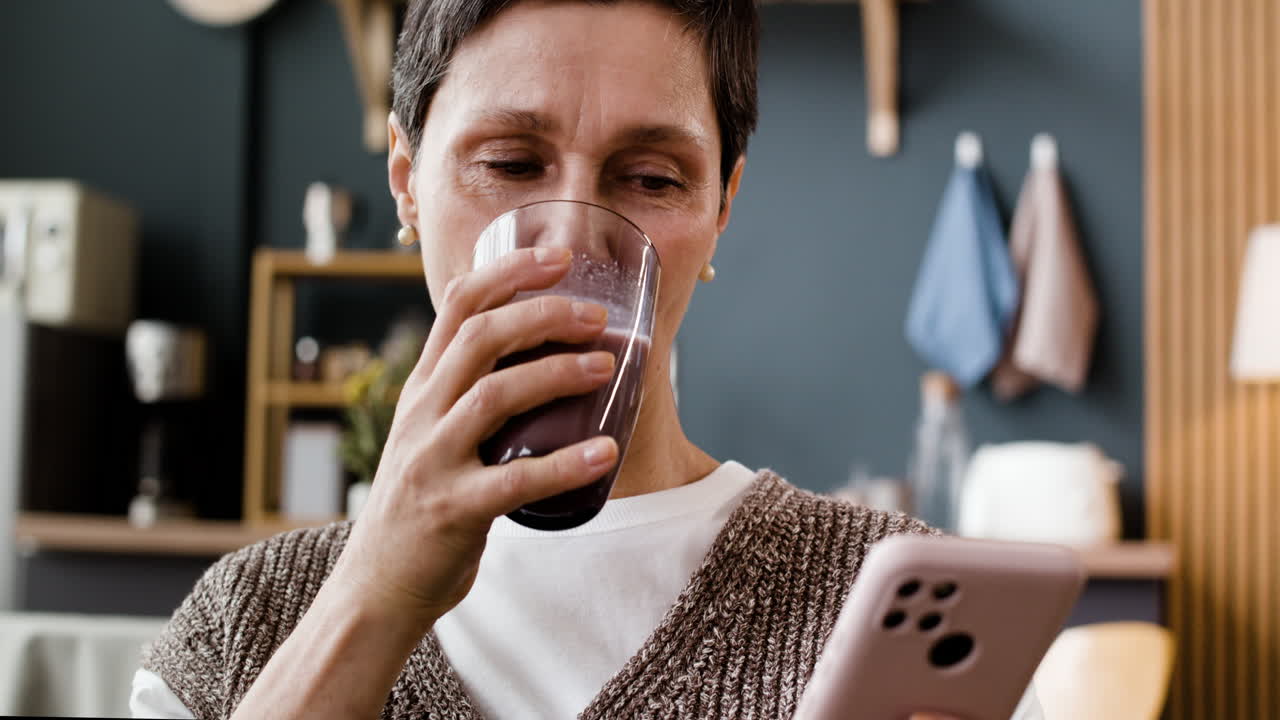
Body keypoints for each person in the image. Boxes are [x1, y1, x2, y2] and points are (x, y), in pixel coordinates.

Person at [131, 1, 1042, 718]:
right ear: (407, 185)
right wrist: (371, 597)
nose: (571, 243)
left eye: (651, 179)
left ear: (721, 208)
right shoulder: (238, 634)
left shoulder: (902, 611)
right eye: (510, 164)